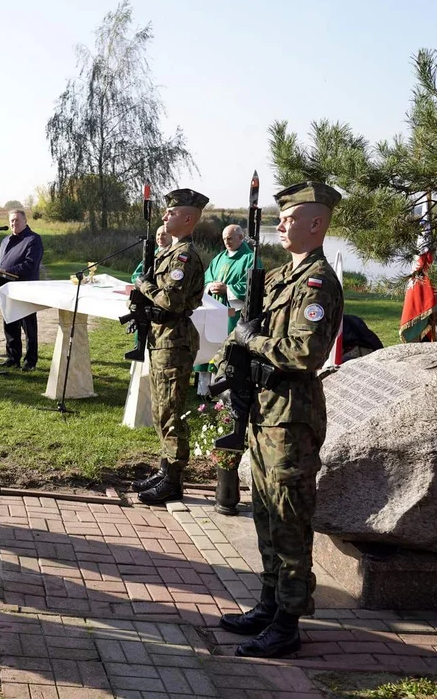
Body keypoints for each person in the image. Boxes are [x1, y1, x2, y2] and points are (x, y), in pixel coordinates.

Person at [218, 182, 344, 659]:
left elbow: (305, 352)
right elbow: (251, 325)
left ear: (317, 224)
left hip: (291, 417)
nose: (282, 223)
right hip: (265, 412)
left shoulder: (318, 282)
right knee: (266, 515)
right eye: (281, 216)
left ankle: (288, 622)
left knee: (291, 520)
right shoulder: (277, 278)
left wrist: (252, 342)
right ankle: (269, 604)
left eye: (292, 217)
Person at [128, 189, 208, 505]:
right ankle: (164, 471)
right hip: (162, 339)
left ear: (188, 219)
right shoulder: (170, 253)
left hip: (174, 340)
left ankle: (173, 481)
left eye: (171, 213)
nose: (165, 216)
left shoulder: (185, 257)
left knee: (171, 413)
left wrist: (143, 285)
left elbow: (171, 300)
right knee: (161, 410)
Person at [194, 224, 260, 395]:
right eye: (224, 239)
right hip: (214, 309)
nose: (226, 242)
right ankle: (203, 391)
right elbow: (207, 276)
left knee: (227, 350)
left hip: (233, 313)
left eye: (230, 238)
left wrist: (228, 289)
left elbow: (253, 285)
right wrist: (210, 286)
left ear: (241, 237)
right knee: (208, 345)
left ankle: (223, 391)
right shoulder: (219, 257)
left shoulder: (250, 258)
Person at [0, 209, 44, 371]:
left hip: (25, 289)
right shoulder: (5, 240)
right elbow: (1, 262)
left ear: (25, 221)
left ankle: (30, 361)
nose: (13, 224)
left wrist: (7, 272)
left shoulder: (33, 239)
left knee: (29, 328)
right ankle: (12, 357)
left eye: (17, 220)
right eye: (11, 221)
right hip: (7, 288)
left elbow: (30, 264)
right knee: (10, 325)